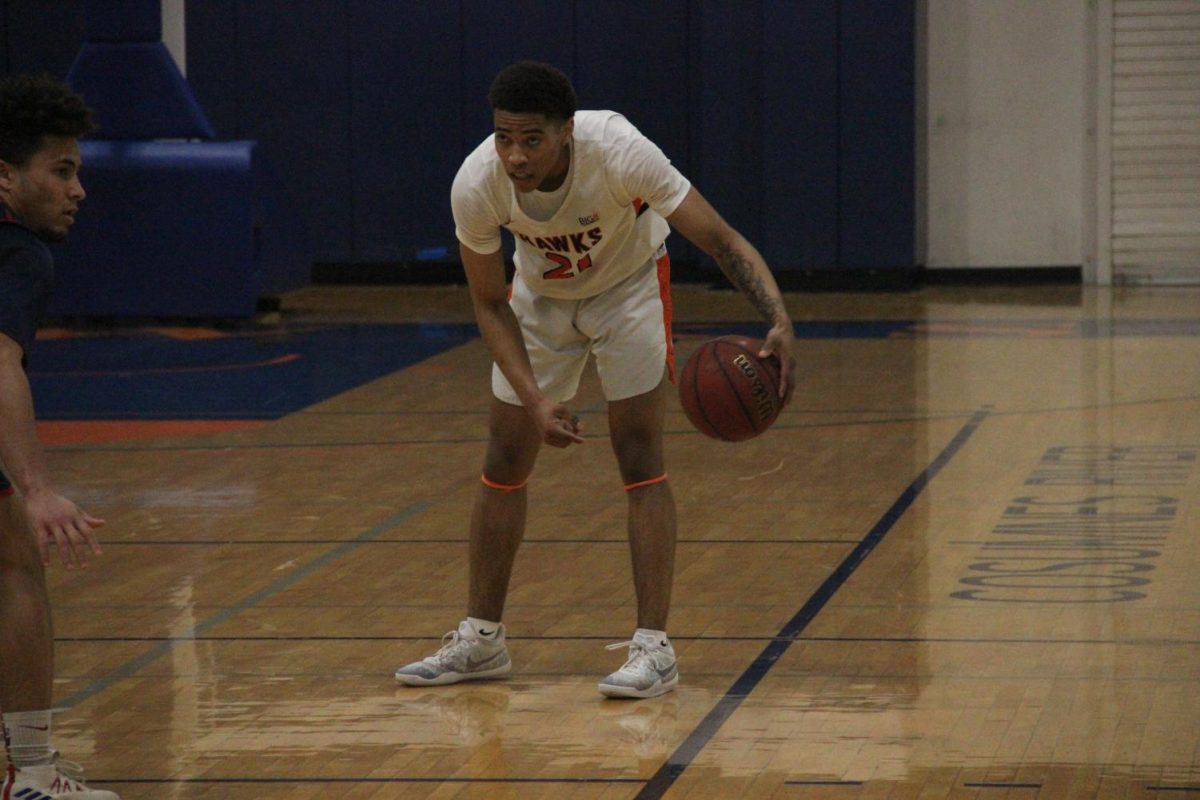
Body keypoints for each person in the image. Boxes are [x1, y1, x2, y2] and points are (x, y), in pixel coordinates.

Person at [395, 61, 795, 699]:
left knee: (639, 457)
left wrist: (777, 317)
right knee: (503, 457)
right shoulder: (476, 184)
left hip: (629, 286)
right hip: (540, 299)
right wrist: (535, 399)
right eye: (504, 137)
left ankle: (653, 649)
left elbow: (718, 238)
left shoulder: (619, 150)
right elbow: (490, 303)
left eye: (532, 139)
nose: (515, 155)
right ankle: (481, 640)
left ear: (567, 134)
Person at [0, 74, 120, 799]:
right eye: (63, 171)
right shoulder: (18, 253)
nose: (77, 190)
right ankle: (34, 775)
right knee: (19, 567)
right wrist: (37, 487)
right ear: (6, 176)